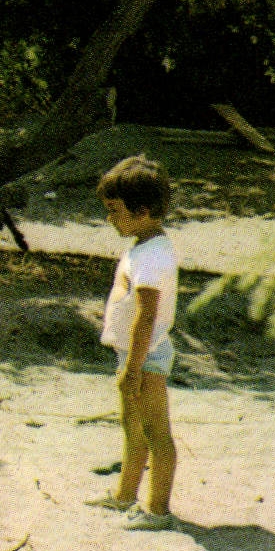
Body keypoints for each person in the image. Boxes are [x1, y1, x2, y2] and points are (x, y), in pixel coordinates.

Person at [89, 155, 180, 531]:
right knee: (133, 427)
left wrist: (133, 368)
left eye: (114, 210)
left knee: (157, 432)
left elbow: (147, 315)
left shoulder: (153, 256)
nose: (109, 218)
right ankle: (125, 495)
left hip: (146, 354)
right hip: (133, 352)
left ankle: (158, 510)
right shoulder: (141, 245)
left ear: (142, 211)